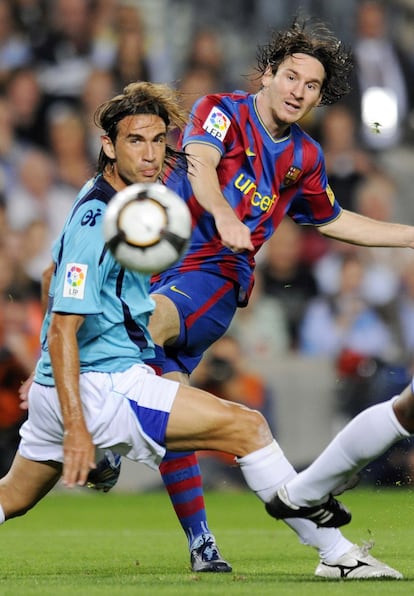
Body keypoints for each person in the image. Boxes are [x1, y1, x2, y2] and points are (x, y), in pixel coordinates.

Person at [0, 80, 333, 574]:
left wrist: (46, 381)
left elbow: (53, 275)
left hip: (63, 390)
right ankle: (336, 552)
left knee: (12, 497)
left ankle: (192, 531)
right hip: (103, 387)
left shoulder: (105, 200)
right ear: (108, 146)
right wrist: (77, 430)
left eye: (159, 140)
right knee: (247, 426)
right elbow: (63, 329)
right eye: (137, 141)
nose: (153, 155)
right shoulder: (102, 217)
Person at [137, 16, 413, 578]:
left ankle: (84, 417)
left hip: (213, 273)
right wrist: (219, 210)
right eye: (291, 77)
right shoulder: (221, 110)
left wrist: (410, 234)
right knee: (173, 412)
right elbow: (201, 163)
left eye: (311, 87)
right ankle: (315, 552)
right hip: (155, 261)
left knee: (139, 330)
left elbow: (333, 219)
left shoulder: (305, 157)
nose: (298, 92)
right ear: (267, 74)